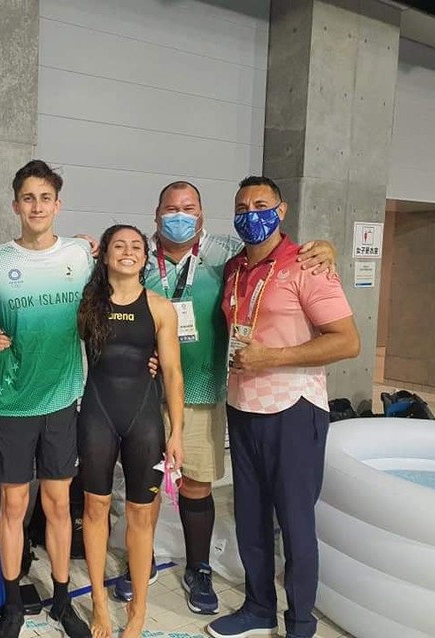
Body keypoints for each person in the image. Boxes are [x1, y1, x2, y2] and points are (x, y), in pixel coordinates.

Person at [112, 181, 337, 615]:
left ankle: (199, 568)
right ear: (156, 213)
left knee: (196, 484)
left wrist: (325, 248)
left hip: (203, 391)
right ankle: (142, 563)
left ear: (201, 214)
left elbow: (278, 252)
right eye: (170, 208)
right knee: (147, 485)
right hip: (144, 393)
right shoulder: (137, 257)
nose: (179, 215)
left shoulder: (228, 254)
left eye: (188, 207)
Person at [206, 176, 359, 638]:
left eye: (261, 204)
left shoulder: (309, 265)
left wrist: (272, 358)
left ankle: (299, 622)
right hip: (244, 407)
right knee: (249, 516)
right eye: (242, 206)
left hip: (294, 409)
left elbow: (347, 342)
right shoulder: (233, 269)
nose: (251, 213)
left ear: (282, 209)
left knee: (294, 521)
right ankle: (257, 607)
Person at [0, 160, 94, 638]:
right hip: (11, 402)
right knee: (12, 506)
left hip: (64, 400)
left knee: (59, 505)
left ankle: (63, 601)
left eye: (45, 198)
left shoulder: (82, 256)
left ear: (58, 205)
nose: (37, 206)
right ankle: (10, 606)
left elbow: (126, 291)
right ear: (16, 205)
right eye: (28, 198)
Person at [76, 225, 185, 638]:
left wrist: (176, 432)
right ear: (104, 255)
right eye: (118, 245)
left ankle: (138, 609)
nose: (128, 252)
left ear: (145, 256)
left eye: (136, 246)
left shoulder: (159, 307)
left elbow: (173, 372)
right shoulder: (87, 305)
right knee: (95, 510)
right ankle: (101, 606)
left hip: (144, 419)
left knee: (141, 515)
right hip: (97, 417)